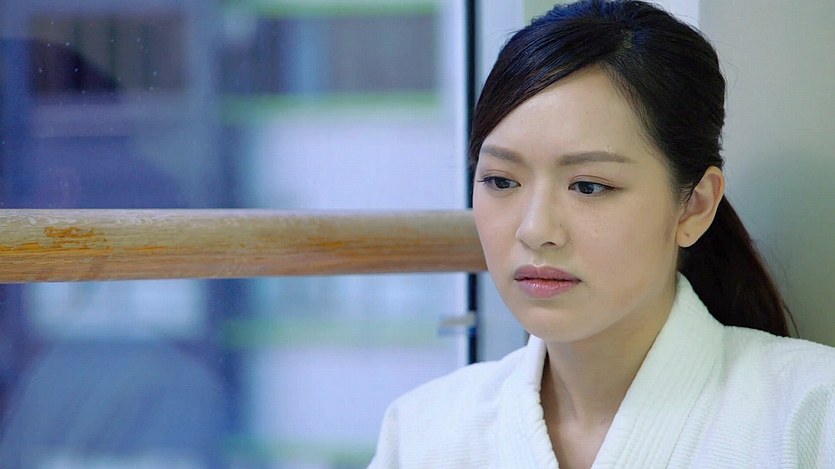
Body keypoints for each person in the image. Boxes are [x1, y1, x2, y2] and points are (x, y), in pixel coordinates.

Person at [369, 0, 835, 468]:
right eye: (501, 181)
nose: (535, 230)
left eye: (589, 186)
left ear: (695, 206)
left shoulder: (812, 412)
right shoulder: (423, 432)